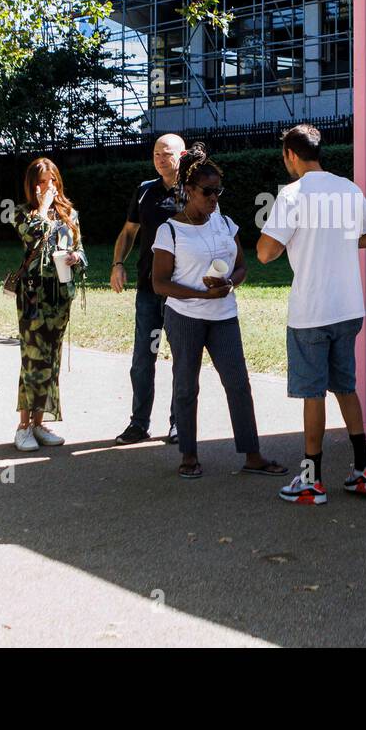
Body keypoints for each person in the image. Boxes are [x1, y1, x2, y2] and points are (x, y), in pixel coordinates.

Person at [257, 124, 366, 505]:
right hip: (349, 307)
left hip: (311, 311)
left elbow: (265, 253)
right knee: (345, 387)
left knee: (313, 394)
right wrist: (342, 242)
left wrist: (294, 240)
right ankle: (364, 469)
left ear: (290, 156)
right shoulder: (348, 188)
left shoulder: (292, 195)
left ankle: (311, 479)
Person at [151, 144, 286, 479]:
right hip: (185, 317)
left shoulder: (225, 223)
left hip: (223, 315)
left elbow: (241, 267)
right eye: (207, 192)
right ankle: (189, 455)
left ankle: (252, 455)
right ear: (188, 191)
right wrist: (201, 294)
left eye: (217, 191)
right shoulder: (170, 230)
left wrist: (229, 286)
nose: (213, 198)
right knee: (186, 386)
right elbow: (160, 283)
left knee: (238, 384)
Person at [111, 133, 185, 445]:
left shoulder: (193, 190)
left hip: (182, 291)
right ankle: (138, 423)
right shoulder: (145, 191)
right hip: (148, 288)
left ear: (180, 156)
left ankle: (179, 423)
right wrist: (117, 263)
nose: (159, 158)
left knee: (182, 357)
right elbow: (129, 232)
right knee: (144, 357)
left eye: (166, 153)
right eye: (155, 153)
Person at [13, 158, 84, 452]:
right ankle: (23, 426)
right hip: (32, 295)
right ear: (31, 185)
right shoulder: (22, 213)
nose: (47, 187)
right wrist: (42, 208)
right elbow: (31, 235)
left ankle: (40, 423)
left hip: (60, 294)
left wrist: (76, 258)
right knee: (33, 358)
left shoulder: (69, 213)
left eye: (51, 180)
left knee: (52, 360)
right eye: (40, 182)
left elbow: (80, 248)